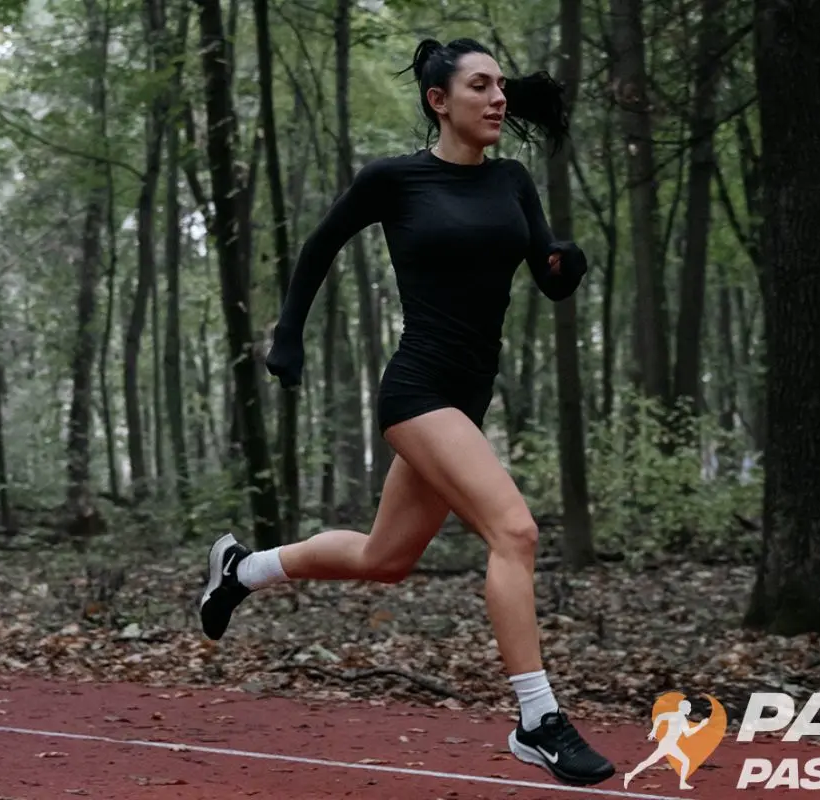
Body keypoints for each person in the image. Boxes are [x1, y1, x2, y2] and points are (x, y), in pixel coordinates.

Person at [197, 36, 616, 787]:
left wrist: (566, 264)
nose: (498, 98)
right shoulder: (395, 180)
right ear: (438, 101)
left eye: (501, 87)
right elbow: (320, 247)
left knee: (384, 559)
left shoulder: (513, 180)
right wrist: (287, 335)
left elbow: (546, 274)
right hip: (417, 392)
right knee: (514, 531)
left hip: (468, 396)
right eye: (480, 85)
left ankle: (241, 569)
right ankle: (538, 718)